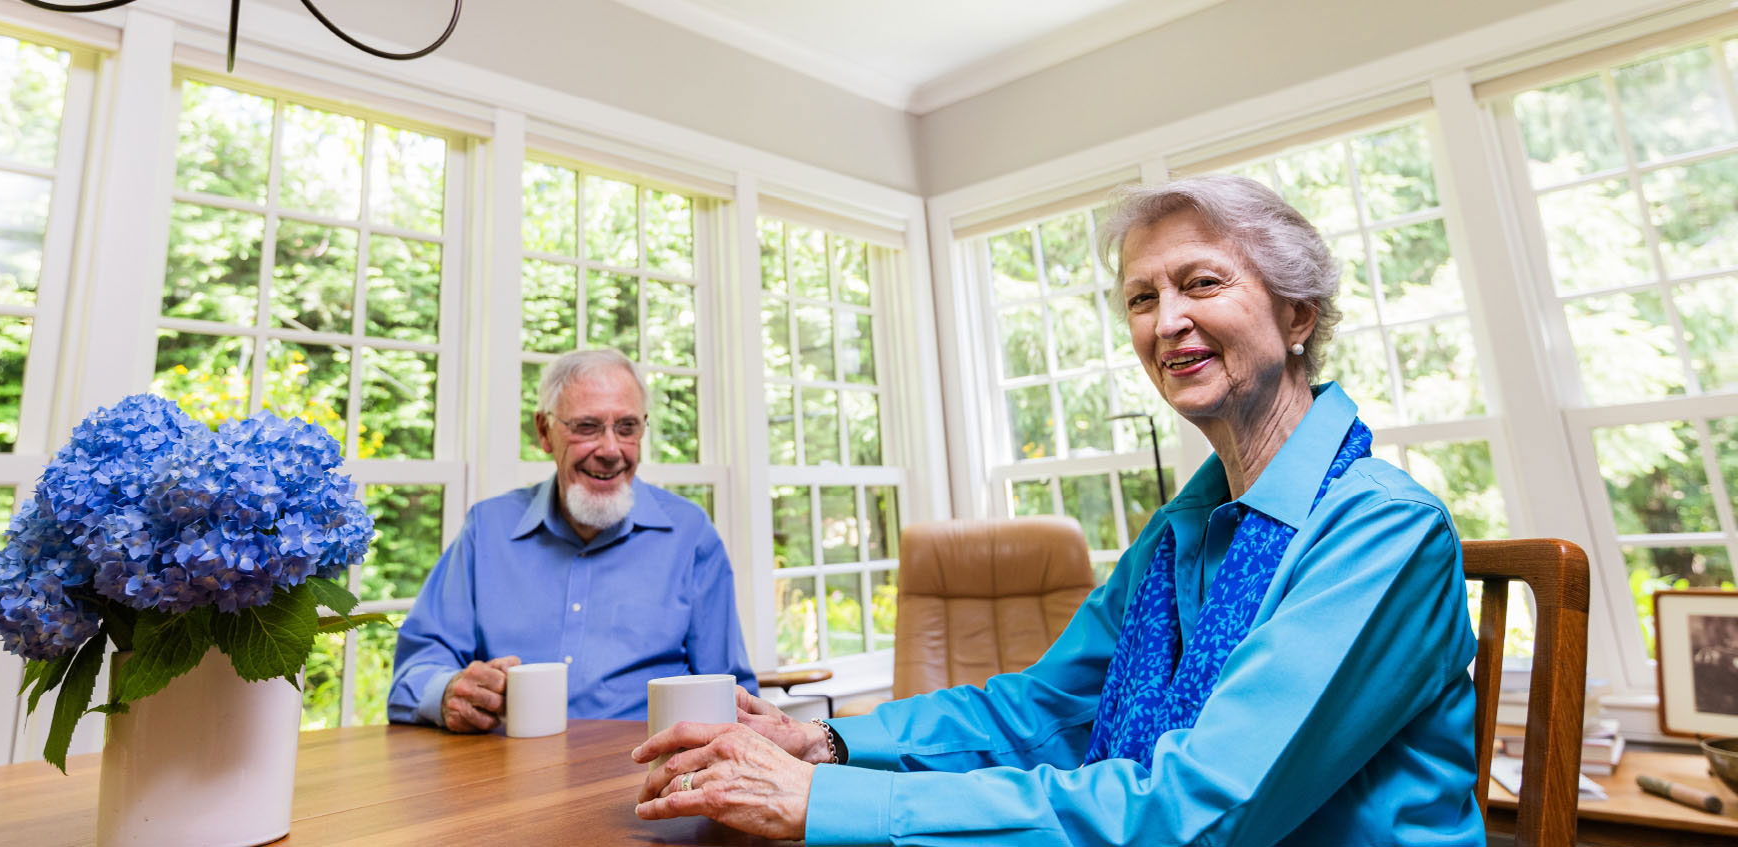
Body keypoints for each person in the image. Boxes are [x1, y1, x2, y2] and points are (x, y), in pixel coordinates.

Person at [631, 175, 1482, 846]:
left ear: (1297, 313)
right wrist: (826, 743)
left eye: (1201, 282)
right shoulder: (1181, 535)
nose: (1167, 321)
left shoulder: (1384, 530)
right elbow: (1037, 710)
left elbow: (1199, 814)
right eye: (1142, 299)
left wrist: (827, 801)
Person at [390, 349, 756, 732]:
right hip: (505, 776)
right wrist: (448, 691)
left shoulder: (690, 533)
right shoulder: (487, 529)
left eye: (628, 428)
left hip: (647, 781)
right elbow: (413, 674)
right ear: (544, 432)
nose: (611, 450)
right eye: (587, 427)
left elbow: (736, 698)